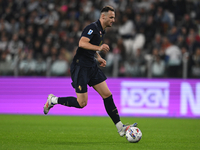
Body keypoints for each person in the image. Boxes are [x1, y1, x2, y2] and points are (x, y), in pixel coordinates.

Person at [43, 5, 137, 137]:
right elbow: (82, 43)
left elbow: (90, 49)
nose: (113, 20)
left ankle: (120, 127)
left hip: (91, 66)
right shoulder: (92, 28)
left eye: (114, 17)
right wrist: (99, 48)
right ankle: (53, 100)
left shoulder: (101, 31)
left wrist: (98, 58)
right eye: (111, 17)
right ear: (103, 16)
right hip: (81, 67)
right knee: (82, 103)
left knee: (107, 95)